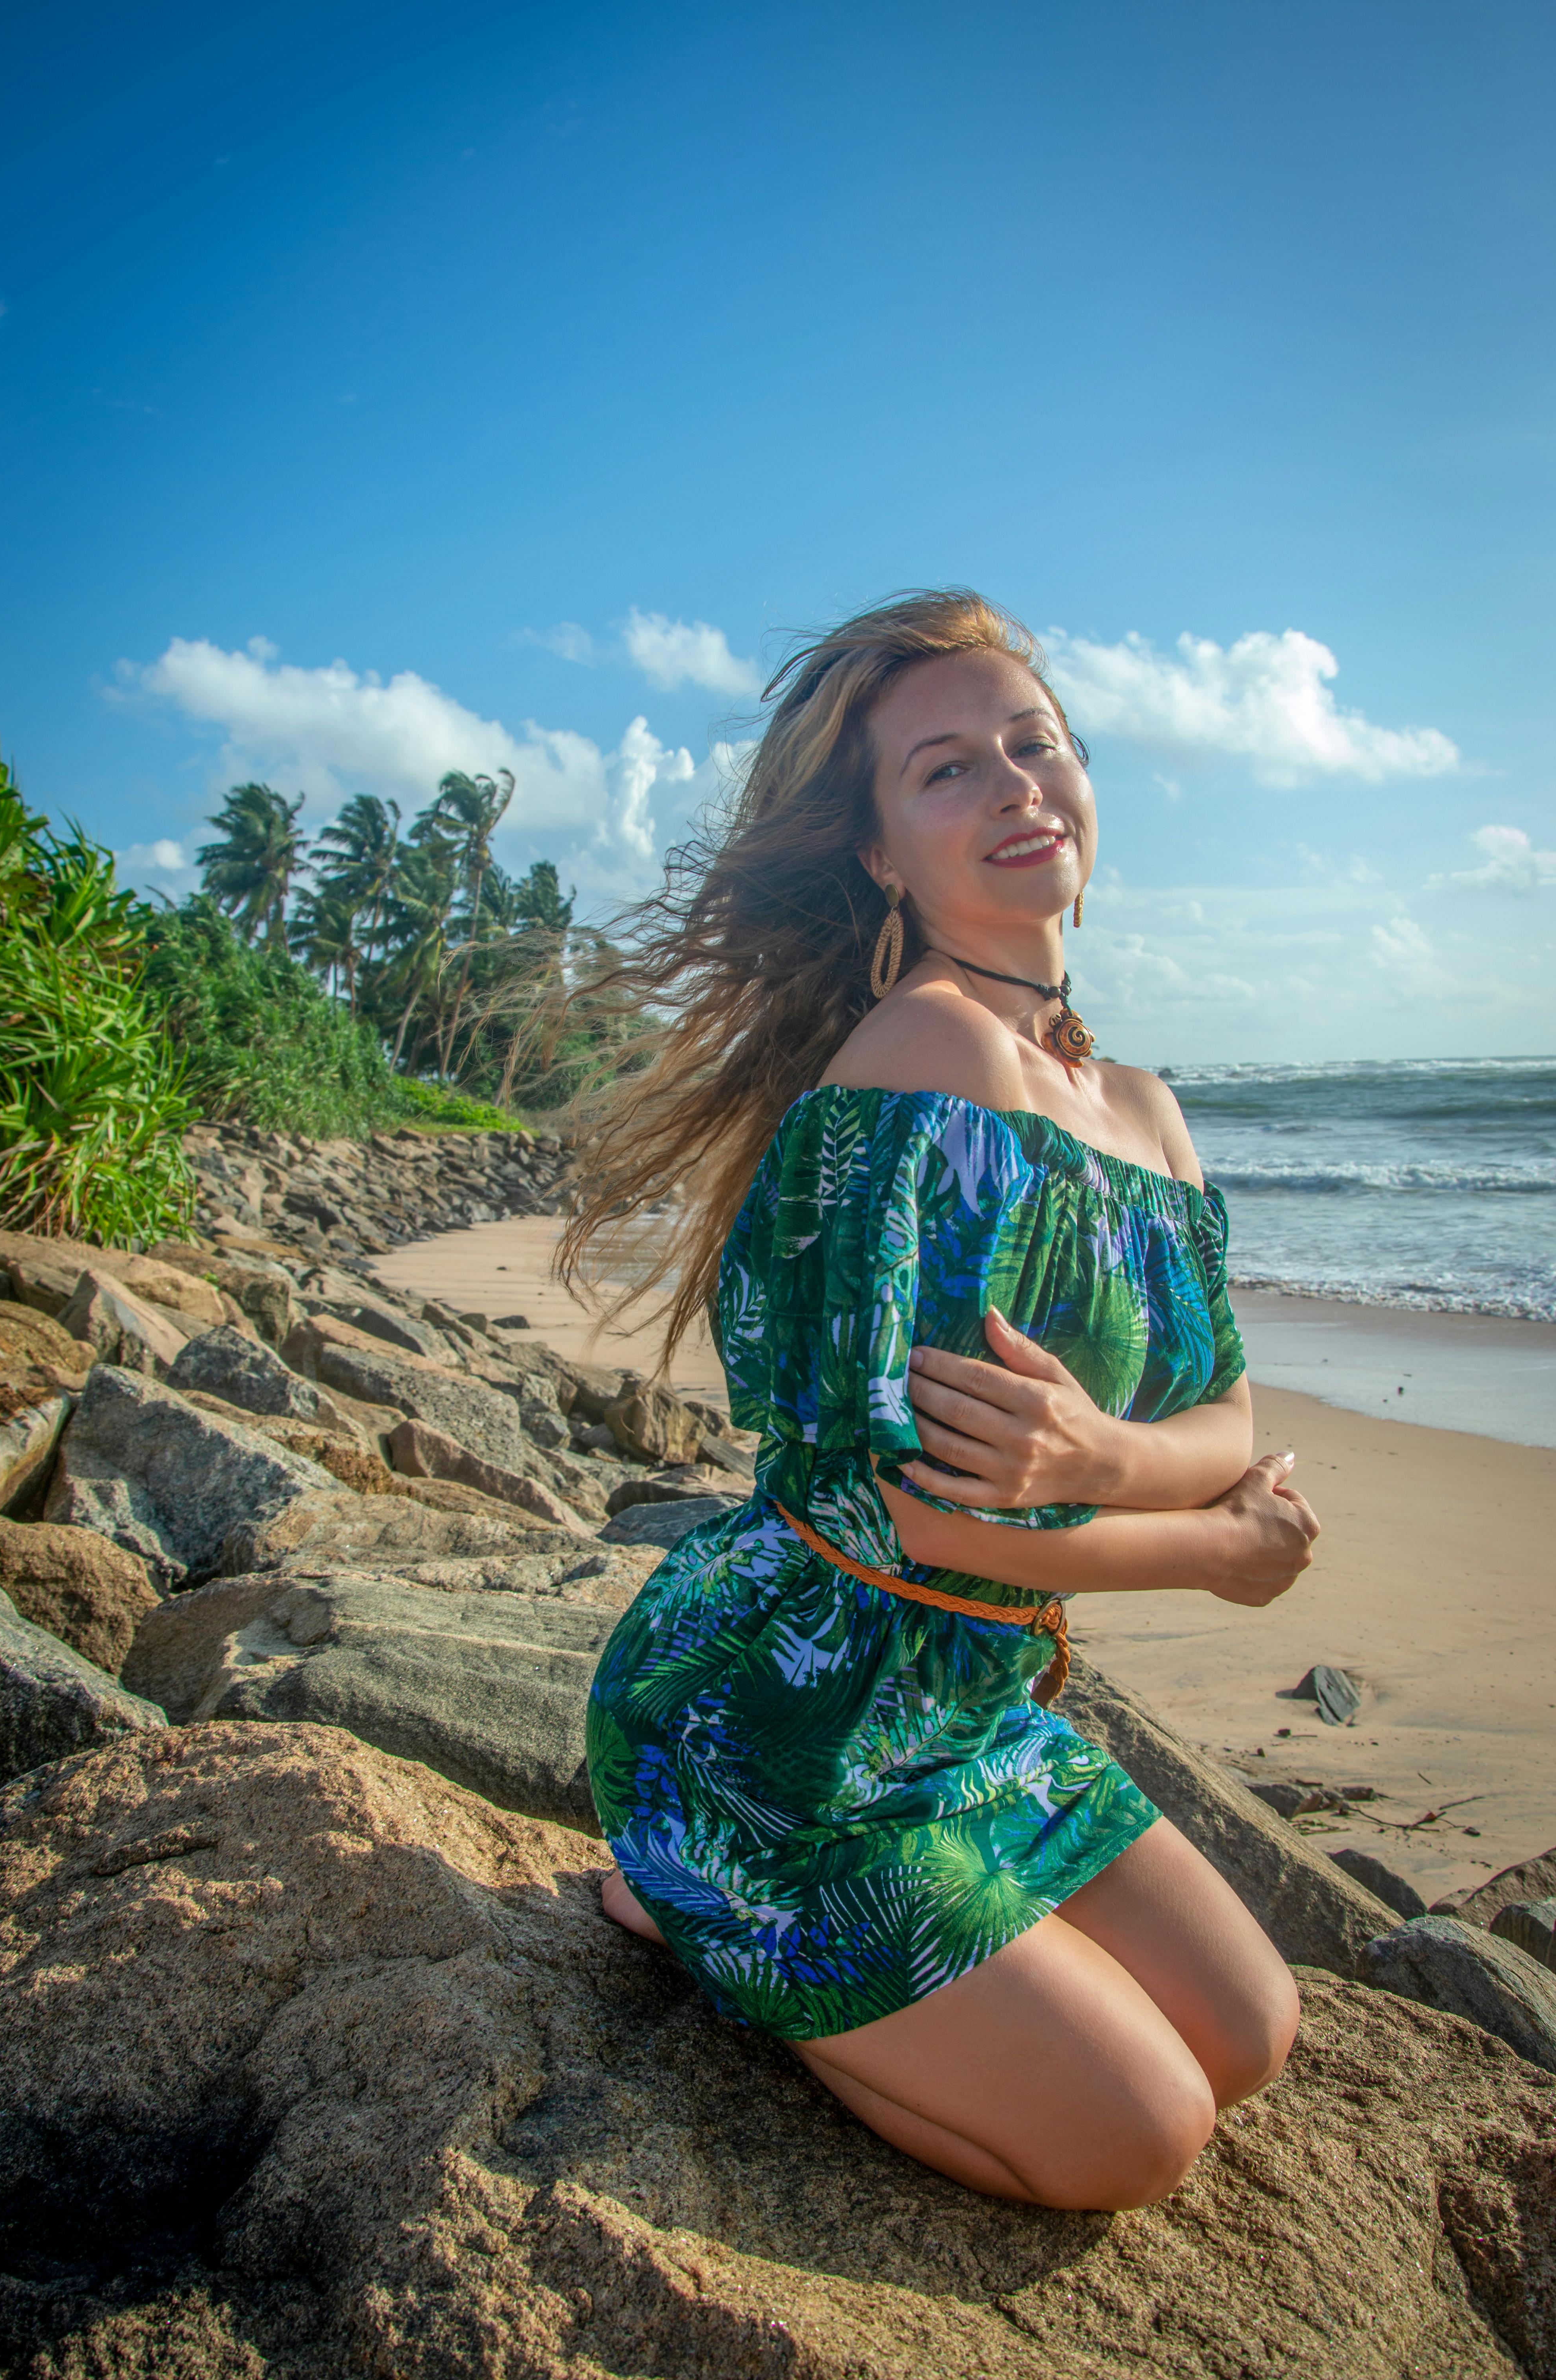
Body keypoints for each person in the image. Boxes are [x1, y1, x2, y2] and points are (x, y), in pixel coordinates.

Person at [558, 589, 1317, 2211]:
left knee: (1252, 2030)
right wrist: (1209, 1552)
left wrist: (1114, 1455)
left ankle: (822, 1951)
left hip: (963, 1711)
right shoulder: (929, 1055)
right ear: (881, 855)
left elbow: (1226, 1422)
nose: (1014, 785)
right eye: (948, 769)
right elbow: (911, 1508)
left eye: (1034, 745)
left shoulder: (1141, 1110)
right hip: (784, 1719)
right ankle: (696, 1908)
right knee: (1139, 2137)